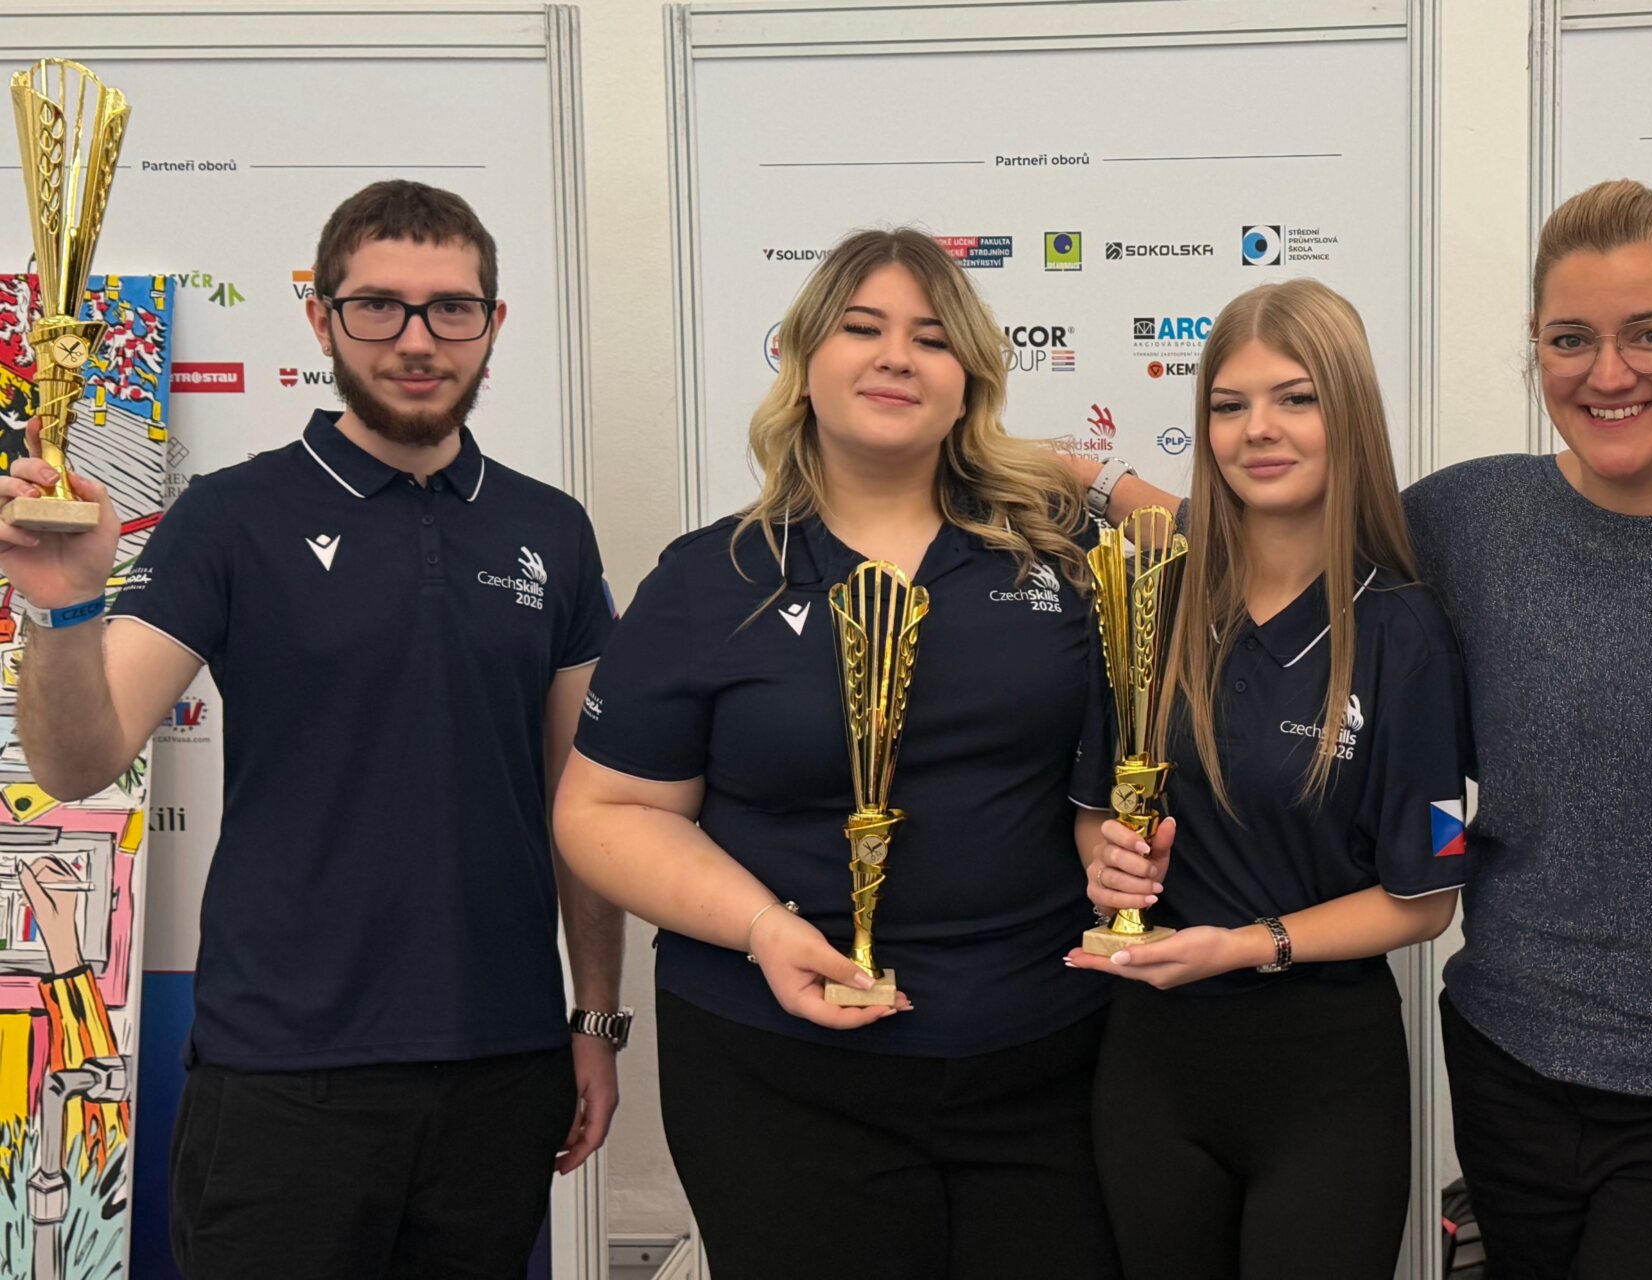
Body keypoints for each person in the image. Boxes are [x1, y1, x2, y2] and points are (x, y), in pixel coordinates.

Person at [1078, 179, 1652, 1279]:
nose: (1609, 372)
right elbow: (1279, 540)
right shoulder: (1469, 518)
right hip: (1510, 1059)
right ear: (1536, 348)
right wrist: (1080, 477)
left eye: (1651, 333)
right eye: (1572, 339)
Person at [0, 179, 625, 1278]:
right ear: (320, 317)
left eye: (451, 308)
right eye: (378, 305)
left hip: (501, 1065)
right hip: (284, 1073)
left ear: (492, 323)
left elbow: (590, 805)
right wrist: (60, 608)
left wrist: (597, 1019)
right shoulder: (231, 515)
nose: (417, 340)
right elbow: (77, 761)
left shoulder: (551, 528)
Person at [552, 228, 1122, 1278]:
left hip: (1049, 1061)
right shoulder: (710, 577)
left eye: (933, 339)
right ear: (803, 359)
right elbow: (603, 811)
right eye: (862, 328)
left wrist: (1089, 476)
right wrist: (764, 928)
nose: (897, 356)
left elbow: (1244, 548)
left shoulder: (1064, 561)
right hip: (778, 1075)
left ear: (970, 380)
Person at [1068, 279, 1468, 1279]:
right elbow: (1094, 813)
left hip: (1325, 1073)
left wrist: (1248, 945)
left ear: (1349, 413)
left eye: (1295, 398)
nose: (1258, 429)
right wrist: (1111, 869)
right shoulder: (1150, 602)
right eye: (1228, 404)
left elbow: (1425, 898)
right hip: (1150, 1062)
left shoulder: (1403, 631)